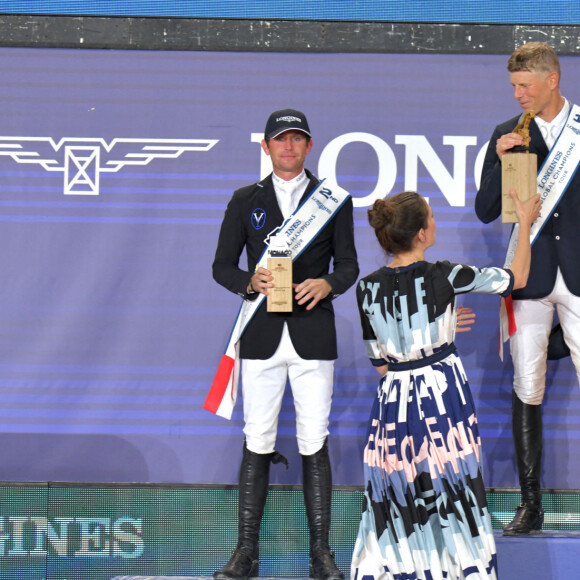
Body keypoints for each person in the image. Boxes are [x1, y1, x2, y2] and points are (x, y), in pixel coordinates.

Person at [351, 189, 541, 579]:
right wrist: (525, 223)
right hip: (442, 397)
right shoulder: (446, 276)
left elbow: (382, 365)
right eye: (432, 217)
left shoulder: (366, 289)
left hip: (394, 404)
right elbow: (517, 278)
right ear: (421, 233)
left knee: (401, 492)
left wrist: (433, 334)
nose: (435, 222)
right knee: (453, 487)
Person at [211, 109, 359, 580]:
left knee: (315, 440)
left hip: (313, 333)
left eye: (297, 139)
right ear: (266, 146)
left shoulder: (333, 199)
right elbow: (221, 266)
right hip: (261, 333)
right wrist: (248, 281)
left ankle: (322, 556)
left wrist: (328, 285)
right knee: (257, 440)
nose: (289, 147)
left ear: (309, 146)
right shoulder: (243, 200)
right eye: (281, 139)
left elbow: (349, 265)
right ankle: (245, 555)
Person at [475, 41, 580, 535]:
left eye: (525, 86)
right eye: (514, 86)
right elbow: (485, 209)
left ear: (552, 80)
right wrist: (497, 162)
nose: (518, 94)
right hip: (527, 275)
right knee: (527, 385)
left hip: (579, 276)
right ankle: (530, 503)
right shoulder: (506, 134)